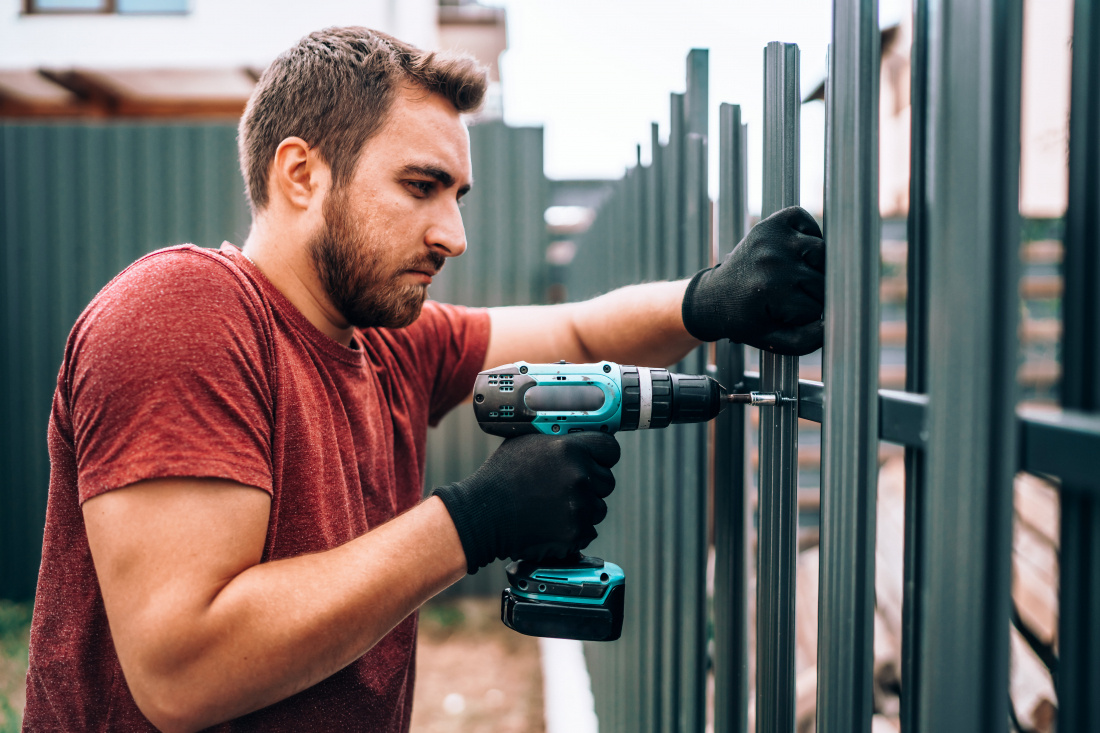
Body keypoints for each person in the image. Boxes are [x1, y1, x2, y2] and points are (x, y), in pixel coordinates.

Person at [22, 26, 825, 733]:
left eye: (458, 195)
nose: (454, 234)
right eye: (420, 186)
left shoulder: (386, 343)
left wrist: (709, 298)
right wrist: (475, 519)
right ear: (301, 174)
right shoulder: (185, 311)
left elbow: (579, 333)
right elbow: (182, 672)